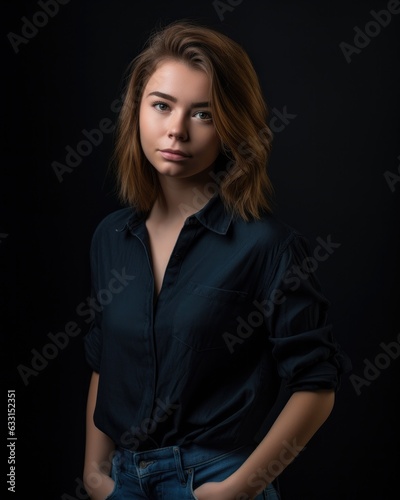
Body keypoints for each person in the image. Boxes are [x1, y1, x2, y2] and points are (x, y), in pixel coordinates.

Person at [82, 19, 351, 500]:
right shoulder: (111, 238)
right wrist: (94, 471)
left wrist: (239, 488)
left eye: (203, 114)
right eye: (162, 106)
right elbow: (105, 360)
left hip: (212, 480)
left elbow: (316, 386)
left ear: (230, 127)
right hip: (122, 483)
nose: (177, 130)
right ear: (136, 111)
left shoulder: (266, 246)